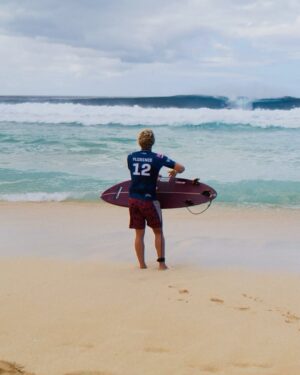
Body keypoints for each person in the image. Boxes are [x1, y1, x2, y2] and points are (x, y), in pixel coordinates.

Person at [127, 129, 185, 270]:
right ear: (153, 142)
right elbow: (181, 168)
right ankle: (161, 264)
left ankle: (142, 265)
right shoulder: (158, 157)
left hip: (133, 200)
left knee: (139, 234)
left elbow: (138, 175)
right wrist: (174, 171)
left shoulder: (131, 157)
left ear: (139, 142)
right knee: (158, 232)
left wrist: (153, 176)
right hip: (149, 200)